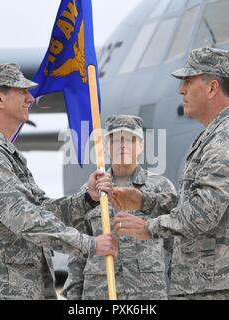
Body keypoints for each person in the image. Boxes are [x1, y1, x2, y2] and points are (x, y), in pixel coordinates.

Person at [110, 47, 229, 300]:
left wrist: (148, 228)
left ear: (212, 88)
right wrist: (146, 201)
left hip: (224, 284)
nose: (181, 90)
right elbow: (196, 204)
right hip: (208, 283)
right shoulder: (214, 136)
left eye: (188, 81)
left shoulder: (228, 138)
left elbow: (203, 212)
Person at [0, 63, 118, 300]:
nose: (31, 98)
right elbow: (25, 218)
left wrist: (86, 199)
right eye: (22, 92)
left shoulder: (5, 154)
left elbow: (41, 209)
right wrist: (90, 244)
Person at [62, 115, 176, 300]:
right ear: (106, 146)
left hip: (148, 294)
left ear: (141, 145)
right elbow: (78, 251)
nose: (122, 145)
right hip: (100, 293)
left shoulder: (161, 188)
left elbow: (175, 248)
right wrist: (74, 297)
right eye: (116, 140)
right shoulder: (91, 192)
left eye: (131, 140)